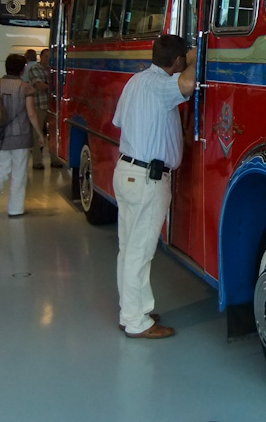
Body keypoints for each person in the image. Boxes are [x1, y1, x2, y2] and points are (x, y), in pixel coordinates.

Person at [112, 35, 196, 339]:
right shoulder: (161, 85)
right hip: (147, 178)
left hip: (126, 172)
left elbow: (120, 121)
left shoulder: (135, 82)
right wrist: (198, 54)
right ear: (176, 62)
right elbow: (186, 85)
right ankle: (136, 321)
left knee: (128, 249)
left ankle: (131, 310)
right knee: (139, 252)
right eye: (183, 60)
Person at [0, 53, 44, 218]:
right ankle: (15, 209)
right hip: (20, 137)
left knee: (0, 170)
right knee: (19, 173)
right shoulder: (25, 88)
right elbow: (31, 114)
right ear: (22, 70)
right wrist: (39, 133)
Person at [27, 48, 62, 169]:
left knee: (53, 134)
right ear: (40, 57)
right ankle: (37, 161)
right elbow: (39, 85)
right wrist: (54, 86)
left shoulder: (55, 70)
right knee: (37, 134)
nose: (48, 59)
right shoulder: (34, 69)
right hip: (39, 106)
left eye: (50, 57)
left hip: (53, 107)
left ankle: (54, 159)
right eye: (46, 56)